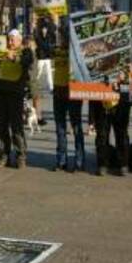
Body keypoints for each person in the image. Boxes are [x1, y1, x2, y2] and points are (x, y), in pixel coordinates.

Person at [0, 28, 33, 168]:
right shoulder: (2, 50)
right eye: (8, 39)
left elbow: (27, 61)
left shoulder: (25, 51)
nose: (9, 42)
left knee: (16, 126)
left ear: (19, 40)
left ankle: (21, 154)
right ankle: (4, 154)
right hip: (1, 92)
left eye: (12, 40)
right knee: (2, 125)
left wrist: (14, 57)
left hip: (15, 93)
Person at [51, 44, 84, 172]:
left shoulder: (75, 47)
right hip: (58, 91)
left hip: (73, 91)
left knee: (76, 127)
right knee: (60, 128)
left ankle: (79, 162)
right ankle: (61, 161)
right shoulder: (56, 48)